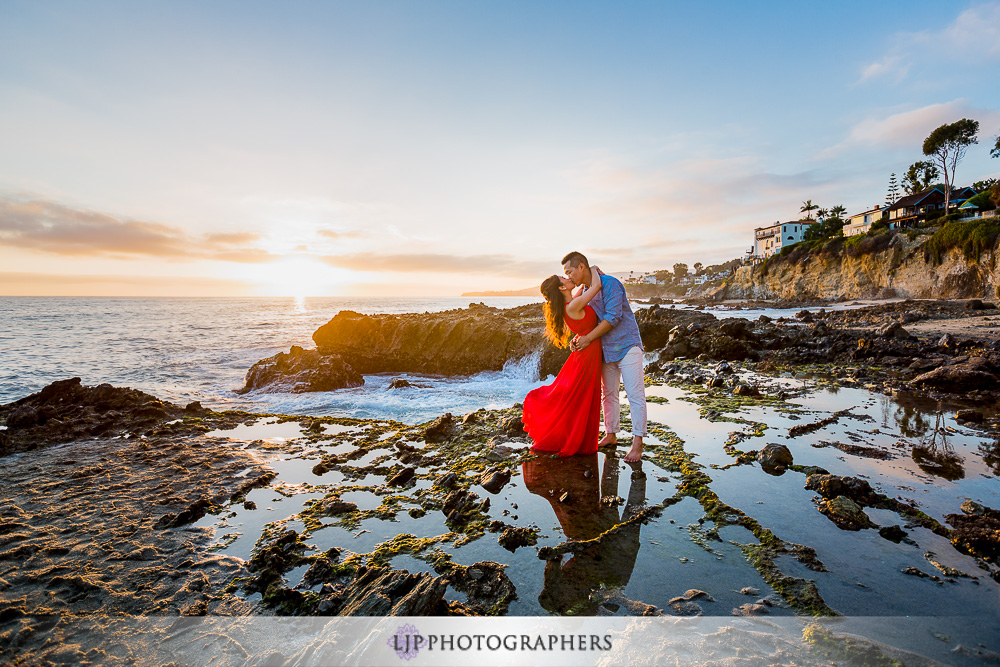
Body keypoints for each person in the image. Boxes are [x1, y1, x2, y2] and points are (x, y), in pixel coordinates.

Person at [562, 251, 647, 462]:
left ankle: (637, 444)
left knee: (635, 395)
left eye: (569, 271)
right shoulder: (588, 290)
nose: (569, 276)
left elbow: (613, 317)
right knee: (609, 394)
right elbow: (587, 319)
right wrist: (580, 337)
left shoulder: (610, 283)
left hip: (628, 345)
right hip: (607, 350)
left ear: (581, 267)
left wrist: (588, 338)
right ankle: (611, 434)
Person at [521, 265, 604, 457]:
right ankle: (575, 439)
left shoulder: (572, 303)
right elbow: (596, 287)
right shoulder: (573, 305)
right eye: (563, 277)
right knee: (581, 399)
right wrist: (592, 269)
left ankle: (576, 437)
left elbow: (584, 292)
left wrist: (576, 338)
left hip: (584, 352)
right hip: (587, 354)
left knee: (579, 399)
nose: (567, 277)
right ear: (561, 288)